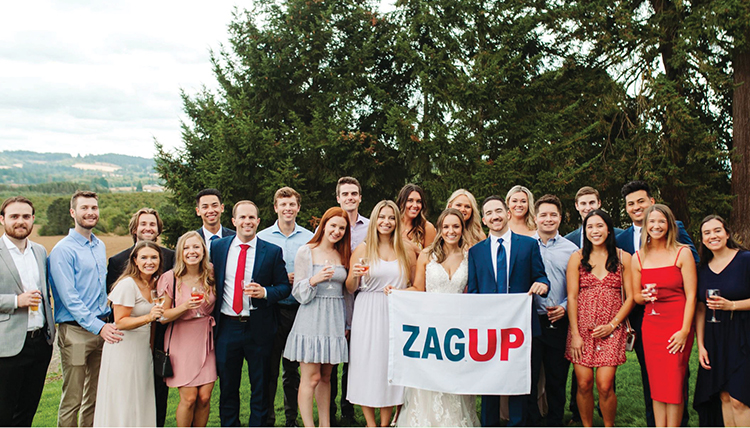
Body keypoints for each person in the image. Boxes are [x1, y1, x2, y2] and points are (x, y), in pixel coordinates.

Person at [616, 181, 697, 427]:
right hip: (648, 324)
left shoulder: (681, 249)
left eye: (641, 201)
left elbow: (692, 292)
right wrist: (643, 296)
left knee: (676, 380)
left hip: (677, 322)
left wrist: (685, 329)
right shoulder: (631, 247)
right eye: (631, 203)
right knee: (653, 381)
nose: (655, 225)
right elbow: (634, 292)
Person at [393, 208, 480, 427]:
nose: (451, 231)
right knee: (429, 374)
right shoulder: (427, 255)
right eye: (446, 227)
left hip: (458, 326)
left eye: (456, 226)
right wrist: (396, 293)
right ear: (440, 228)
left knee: (455, 375)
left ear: (462, 228)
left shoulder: (471, 254)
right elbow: (418, 288)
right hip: (430, 323)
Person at [467, 195, 549, 427]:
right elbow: (473, 292)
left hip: (520, 327)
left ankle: (517, 423)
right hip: (489, 329)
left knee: (518, 381)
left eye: (498, 211)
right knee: (489, 381)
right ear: (484, 220)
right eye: (489, 213)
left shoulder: (529, 245)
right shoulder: (476, 252)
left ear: (507, 213)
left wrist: (542, 285)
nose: (495, 216)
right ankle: (489, 424)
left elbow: (540, 276)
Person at [211, 200, 291, 427]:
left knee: (261, 386)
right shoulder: (219, 248)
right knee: (228, 386)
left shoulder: (272, 251)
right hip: (228, 326)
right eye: (242, 218)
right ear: (234, 221)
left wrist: (265, 292)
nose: (247, 222)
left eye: (251, 218)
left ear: (258, 221)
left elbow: (284, 287)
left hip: (259, 327)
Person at [49, 190, 123, 427]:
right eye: (84, 208)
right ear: (73, 212)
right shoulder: (63, 250)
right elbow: (69, 298)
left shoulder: (99, 245)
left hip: (102, 328)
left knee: (95, 396)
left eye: (94, 208)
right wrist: (99, 327)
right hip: (76, 332)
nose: (90, 212)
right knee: (73, 399)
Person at [346, 200, 415, 427]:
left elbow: (415, 284)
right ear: (375, 220)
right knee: (366, 364)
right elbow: (350, 287)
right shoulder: (363, 249)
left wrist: (401, 291)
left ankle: (385, 423)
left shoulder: (406, 249)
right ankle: (371, 423)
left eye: (391, 218)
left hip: (396, 310)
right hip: (367, 310)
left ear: (397, 221)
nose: (386, 222)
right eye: (382, 217)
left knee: (390, 365)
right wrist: (355, 275)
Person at [105, 207, 175, 426]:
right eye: (143, 224)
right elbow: (118, 313)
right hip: (128, 341)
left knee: (152, 394)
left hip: (158, 338)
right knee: (126, 396)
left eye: (152, 224)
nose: (148, 228)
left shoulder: (170, 259)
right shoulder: (119, 264)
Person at [565, 209, 634, 427]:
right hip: (582, 329)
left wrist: (613, 325)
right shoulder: (577, 258)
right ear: (584, 231)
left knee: (605, 384)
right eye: (590, 227)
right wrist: (575, 334)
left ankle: (608, 425)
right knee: (584, 383)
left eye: (599, 226)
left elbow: (631, 297)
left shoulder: (624, 258)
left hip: (611, 329)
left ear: (609, 229)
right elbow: (572, 296)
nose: (595, 231)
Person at [284, 207, 351, 427]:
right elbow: (299, 294)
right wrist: (315, 279)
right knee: (310, 378)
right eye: (333, 225)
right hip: (311, 317)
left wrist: (347, 322)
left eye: (342, 228)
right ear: (323, 225)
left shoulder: (343, 253)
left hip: (334, 319)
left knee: (325, 377)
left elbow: (346, 293)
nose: (337, 231)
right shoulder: (307, 251)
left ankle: (325, 424)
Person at [257, 186, 314, 427]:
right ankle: (269, 418)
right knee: (270, 368)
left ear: (298, 208)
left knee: (293, 369)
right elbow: (258, 272)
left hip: (300, 309)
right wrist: (281, 278)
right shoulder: (263, 237)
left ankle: (291, 418)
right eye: (283, 204)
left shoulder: (309, 237)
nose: (288, 209)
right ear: (275, 208)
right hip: (273, 309)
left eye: (292, 204)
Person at [93, 241, 165, 427]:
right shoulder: (127, 284)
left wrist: (150, 346)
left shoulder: (155, 284)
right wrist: (149, 317)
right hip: (123, 349)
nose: (149, 262)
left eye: (154, 257)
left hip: (142, 349)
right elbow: (121, 321)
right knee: (124, 398)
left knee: (141, 395)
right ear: (135, 260)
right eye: (144, 257)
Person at [0, 196, 55, 427]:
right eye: (14, 216)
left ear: (33, 219)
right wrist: (16, 300)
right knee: (4, 412)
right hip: (7, 345)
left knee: (27, 410)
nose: (20, 221)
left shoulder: (40, 251)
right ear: (2, 220)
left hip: (40, 343)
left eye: (25, 216)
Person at [694, 215, 750, 427]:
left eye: (717, 230)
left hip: (743, 334)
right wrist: (700, 345)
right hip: (714, 337)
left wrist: (733, 305)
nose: (712, 236)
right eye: (706, 233)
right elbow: (700, 308)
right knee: (724, 396)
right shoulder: (702, 268)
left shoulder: (745, 260)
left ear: (727, 233)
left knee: (739, 399)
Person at [157, 231, 217, 427]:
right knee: (190, 398)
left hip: (206, 339)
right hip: (181, 340)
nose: (192, 251)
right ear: (180, 252)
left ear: (203, 250)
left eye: (196, 247)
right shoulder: (170, 278)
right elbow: (163, 317)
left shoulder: (211, 273)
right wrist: (184, 306)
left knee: (205, 397)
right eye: (187, 247)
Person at [528, 195, 578, 426]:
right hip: (530, 321)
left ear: (561, 218)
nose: (548, 219)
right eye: (544, 215)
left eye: (553, 215)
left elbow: (579, 286)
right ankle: (532, 420)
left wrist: (566, 308)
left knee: (557, 376)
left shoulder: (572, 250)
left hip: (559, 320)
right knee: (530, 375)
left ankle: (555, 419)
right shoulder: (525, 244)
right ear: (535, 218)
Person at [331, 176, 368, 424]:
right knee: (333, 360)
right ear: (338, 198)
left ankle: (348, 409)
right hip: (335, 299)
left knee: (355, 359)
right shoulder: (331, 224)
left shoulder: (370, 227)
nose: (350, 198)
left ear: (360, 197)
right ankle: (330, 411)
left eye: (354, 193)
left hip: (363, 299)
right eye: (345, 194)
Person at [396, 184, 437, 253]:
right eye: (410, 200)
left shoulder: (427, 228)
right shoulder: (394, 224)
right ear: (401, 203)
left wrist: (412, 247)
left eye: (418, 201)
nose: (415, 205)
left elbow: (430, 260)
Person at [195, 188, 236, 254]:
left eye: (214, 205)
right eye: (205, 207)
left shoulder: (235, 238)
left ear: (222, 208)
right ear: (198, 211)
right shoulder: (189, 241)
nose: (210, 211)